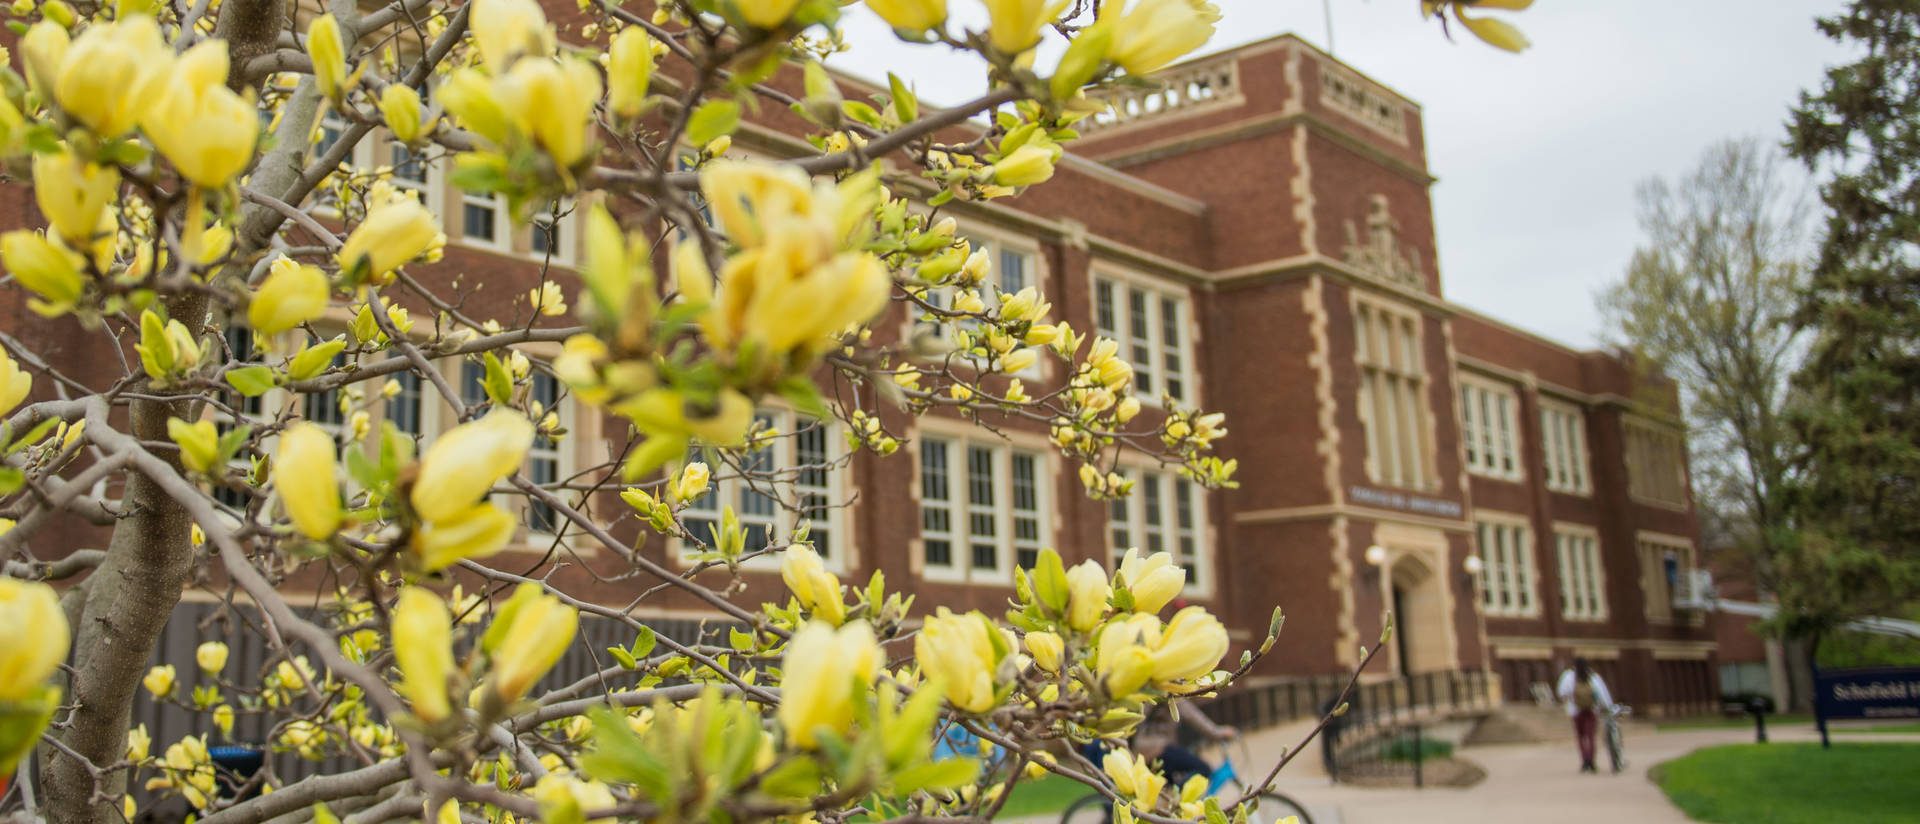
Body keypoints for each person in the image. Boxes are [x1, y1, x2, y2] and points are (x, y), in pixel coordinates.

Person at [1556, 657, 1614, 773]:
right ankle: (1591, 761)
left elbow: (1561, 692)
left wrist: (1570, 699)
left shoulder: (1569, 676)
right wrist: (1608, 707)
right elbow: (1602, 694)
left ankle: (1585, 761)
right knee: (1590, 737)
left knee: (1581, 737)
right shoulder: (1593, 677)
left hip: (1576, 710)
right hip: (1591, 710)